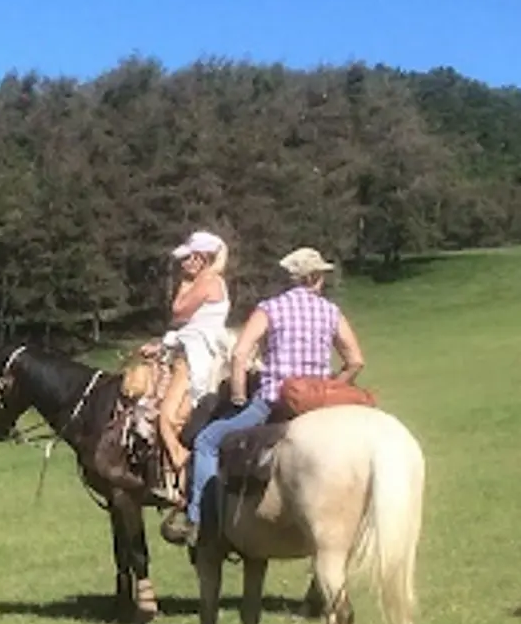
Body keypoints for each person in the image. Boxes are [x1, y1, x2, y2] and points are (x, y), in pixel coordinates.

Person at [162, 247, 366, 547]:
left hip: (273, 401)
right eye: (320, 275)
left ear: (292, 278)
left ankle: (200, 521)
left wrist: (238, 394)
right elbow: (356, 360)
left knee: (207, 441)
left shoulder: (270, 309)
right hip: (317, 402)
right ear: (314, 279)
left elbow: (241, 353)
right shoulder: (331, 312)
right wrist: (334, 385)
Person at [140, 231, 231, 500]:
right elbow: (187, 325)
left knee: (167, 417)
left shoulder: (207, 281)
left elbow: (179, 311)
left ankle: (182, 473)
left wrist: (183, 288)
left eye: (189, 258)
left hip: (195, 358)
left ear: (203, 258)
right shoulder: (207, 279)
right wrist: (163, 344)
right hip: (190, 349)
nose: (184, 265)